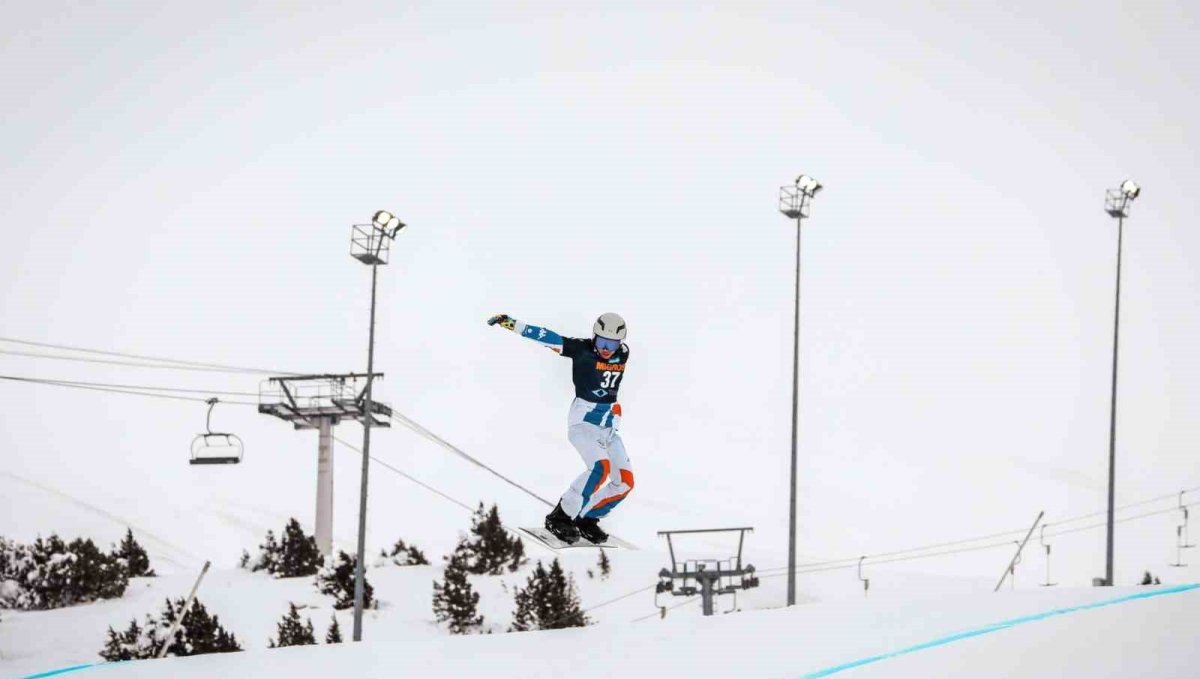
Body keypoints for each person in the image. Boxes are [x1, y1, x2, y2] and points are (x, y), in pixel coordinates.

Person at [487, 312, 634, 544]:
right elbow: (549, 337)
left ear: (621, 343)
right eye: (601, 342)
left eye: (612, 344)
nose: (606, 349)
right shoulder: (581, 350)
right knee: (600, 468)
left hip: (608, 428)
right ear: (593, 337)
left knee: (625, 482)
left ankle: (587, 518)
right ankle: (560, 517)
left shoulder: (623, 353)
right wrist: (512, 324)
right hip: (584, 423)